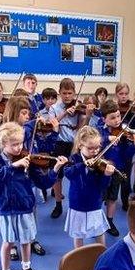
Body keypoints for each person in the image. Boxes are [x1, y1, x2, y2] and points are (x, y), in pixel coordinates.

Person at [0, 122, 67, 270]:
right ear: (3, 144)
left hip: (25, 207)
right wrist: (13, 166)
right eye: (14, 144)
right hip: (7, 208)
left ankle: (26, 266)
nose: (19, 148)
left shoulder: (28, 161)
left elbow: (43, 182)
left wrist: (56, 169)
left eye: (20, 143)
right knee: (8, 242)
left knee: (25, 241)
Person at [64, 126, 115, 248]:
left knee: (99, 231)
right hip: (77, 202)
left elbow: (103, 185)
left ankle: (101, 253)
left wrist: (107, 176)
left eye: (97, 147)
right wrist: (82, 165)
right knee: (77, 233)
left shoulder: (100, 161)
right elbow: (68, 173)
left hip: (94, 202)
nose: (95, 151)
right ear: (80, 146)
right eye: (90, 148)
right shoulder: (74, 159)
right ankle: (78, 255)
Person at [99, 99, 135, 236]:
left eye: (118, 116)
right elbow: (94, 144)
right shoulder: (99, 131)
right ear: (104, 119)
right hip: (101, 170)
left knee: (112, 197)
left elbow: (126, 155)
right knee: (100, 196)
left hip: (117, 169)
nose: (117, 120)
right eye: (112, 118)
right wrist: (107, 139)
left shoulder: (123, 133)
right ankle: (98, 220)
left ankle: (110, 221)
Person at [50, 79, 82, 219]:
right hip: (60, 144)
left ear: (74, 93)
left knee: (77, 175)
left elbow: (82, 126)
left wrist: (85, 114)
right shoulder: (53, 108)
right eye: (64, 93)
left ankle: (76, 204)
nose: (67, 96)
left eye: (70, 93)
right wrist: (64, 113)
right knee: (58, 177)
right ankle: (58, 204)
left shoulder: (79, 106)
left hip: (75, 145)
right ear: (59, 93)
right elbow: (52, 124)